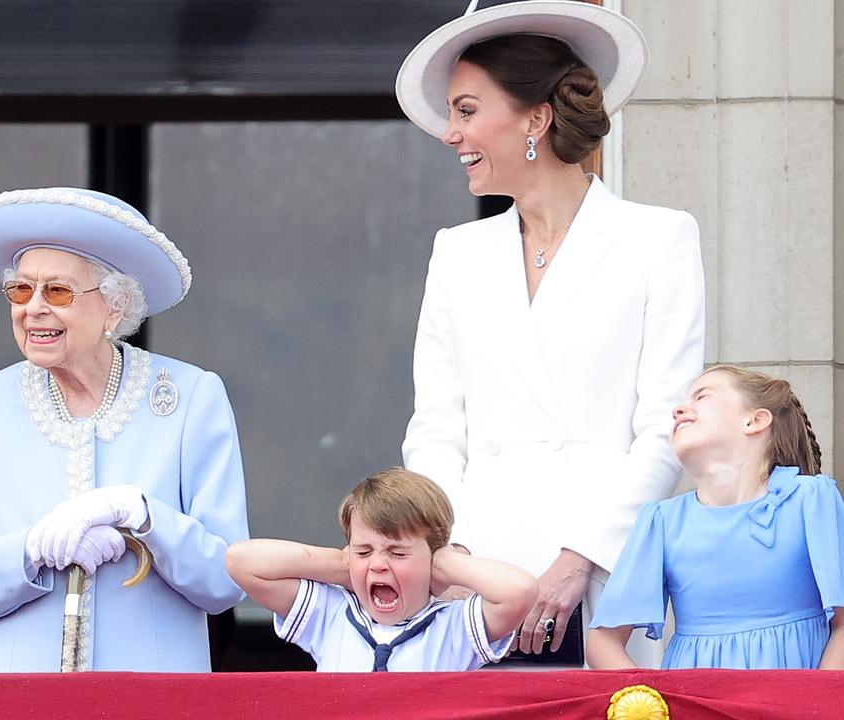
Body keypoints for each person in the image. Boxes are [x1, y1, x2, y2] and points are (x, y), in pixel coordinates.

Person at [394, 1, 705, 664]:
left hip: (601, 581)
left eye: (467, 110)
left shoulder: (657, 238)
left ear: (535, 117)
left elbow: (664, 430)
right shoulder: (456, 251)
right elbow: (436, 429)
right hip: (476, 587)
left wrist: (579, 560)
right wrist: (457, 558)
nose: (450, 133)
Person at [0, 187, 249, 672]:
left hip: (154, 701)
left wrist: (142, 515)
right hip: (20, 703)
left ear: (114, 307)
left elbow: (226, 581)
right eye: (20, 290)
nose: (32, 308)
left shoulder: (191, 397)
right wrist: (29, 550)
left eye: (57, 291)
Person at [588, 367, 844, 669]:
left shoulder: (809, 498)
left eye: (702, 396)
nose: (679, 409)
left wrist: (818, 705)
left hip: (795, 702)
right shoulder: (662, 521)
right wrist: (650, 704)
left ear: (754, 420)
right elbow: (603, 641)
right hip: (695, 704)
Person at [226, 467, 535, 672]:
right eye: (363, 550)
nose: (377, 564)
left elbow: (519, 591)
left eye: (397, 553)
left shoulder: (452, 628)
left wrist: (445, 564)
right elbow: (241, 561)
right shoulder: (330, 615)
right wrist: (339, 565)